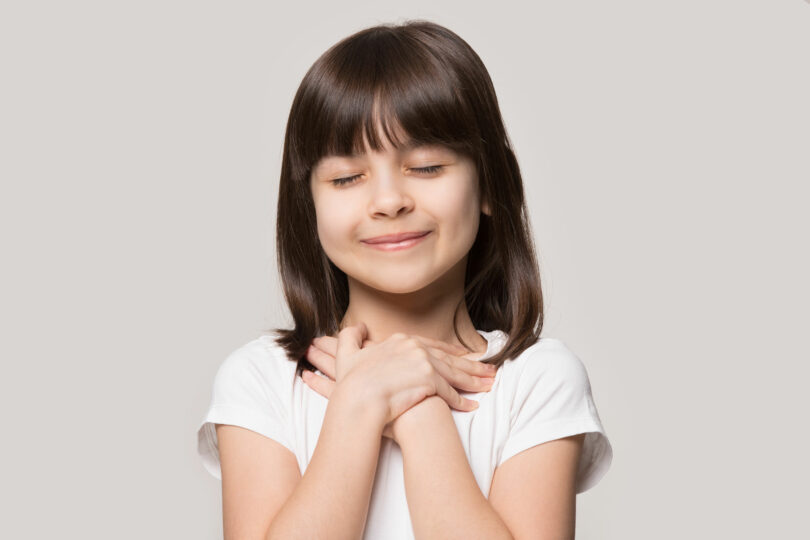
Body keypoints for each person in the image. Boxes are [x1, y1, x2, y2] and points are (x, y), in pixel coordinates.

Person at [196, 19, 613, 539]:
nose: (390, 201)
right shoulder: (262, 381)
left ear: (489, 184)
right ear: (310, 206)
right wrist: (360, 401)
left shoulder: (536, 381)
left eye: (427, 167)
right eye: (347, 178)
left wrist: (420, 415)